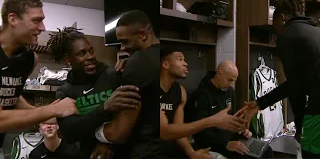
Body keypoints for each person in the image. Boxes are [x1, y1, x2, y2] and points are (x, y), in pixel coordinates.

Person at [0, 0, 78, 154]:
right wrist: (51, 110)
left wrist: (38, 113)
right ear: (13, 19)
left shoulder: (29, 59)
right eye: (37, 21)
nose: (42, 28)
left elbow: (11, 94)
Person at [242, 0, 320, 158]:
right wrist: (260, 103)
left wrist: (300, 127)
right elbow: (298, 82)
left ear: (282, 18)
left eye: (274, 22)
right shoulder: (316, 32)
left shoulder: (287, 36)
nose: (275, 28)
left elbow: (295, 87)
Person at [47, 27, 141, 158]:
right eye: (82, 53)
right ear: (67, 59)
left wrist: (107, 142)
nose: (90, 57)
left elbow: (132, 116)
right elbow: (70, 132)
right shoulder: (65, 91)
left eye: (91, 51)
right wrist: (105, 108)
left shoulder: (112, 75)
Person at [159, 48, 248, 159]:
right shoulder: (148, 89)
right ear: (166, 64)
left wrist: (192, 154)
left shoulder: (180, 92)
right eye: (179, 59)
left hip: (172, 149)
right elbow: (164, 131)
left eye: (184, 59)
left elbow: (179, 131)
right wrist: (212, 121)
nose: (185, 63)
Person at [96, 10, 159, 159]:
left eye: (125, 41)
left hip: (143, 152)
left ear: (143, 35)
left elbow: (119, 133)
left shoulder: (138, 62)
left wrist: (95, 132)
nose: (122, 48)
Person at [192, 61, 274, 158]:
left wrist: (242, 129)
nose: (231, 83)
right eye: (229, 80)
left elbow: (233, 117)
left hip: (232, 138)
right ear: (219, 73)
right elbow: (200, 130)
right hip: (213, 143)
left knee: (266, 150)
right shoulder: (202, 94)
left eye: (233, 81)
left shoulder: (230, 91)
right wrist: (225, 144)